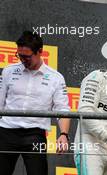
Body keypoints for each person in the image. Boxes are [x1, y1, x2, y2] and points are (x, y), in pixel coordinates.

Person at [0, 31, 71, 175]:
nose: (23, 60)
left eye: (27, 56)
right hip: (6, 131)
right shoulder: (8, 71)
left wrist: (64, 134)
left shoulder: (56, 78)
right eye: (19, 56)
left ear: (40, 52)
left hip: (35, 134)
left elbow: (62, 109)